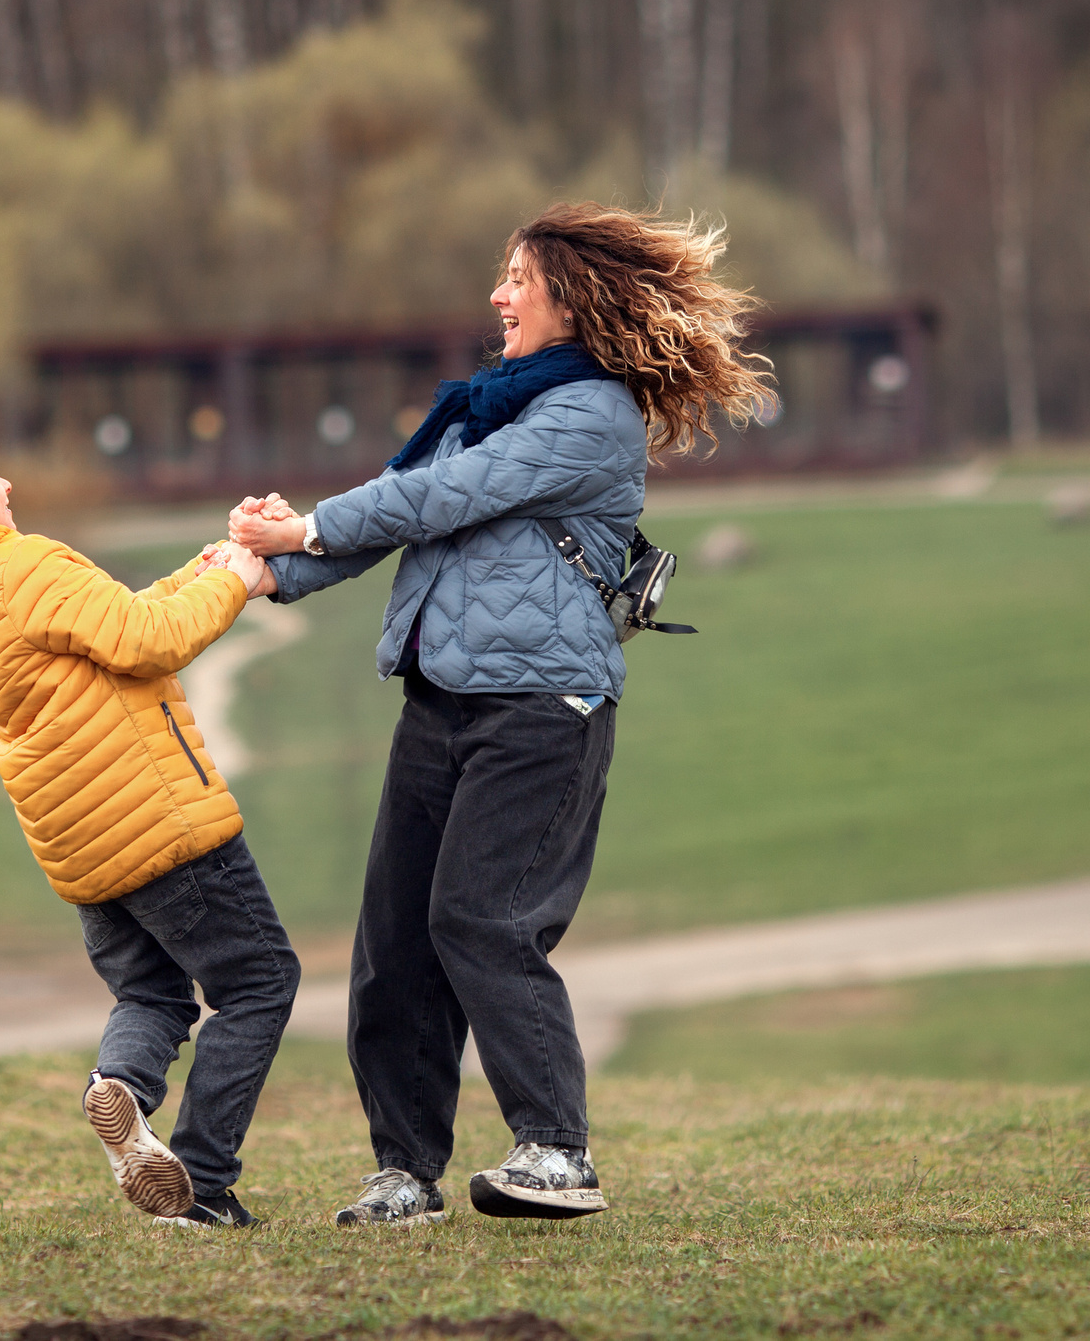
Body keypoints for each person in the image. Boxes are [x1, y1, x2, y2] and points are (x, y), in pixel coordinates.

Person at [227, 202, 773, 1226]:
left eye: (517, 278)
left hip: (541, 710)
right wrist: (269, 570)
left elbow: (447, 497)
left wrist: (306, 520)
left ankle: (557, 1152)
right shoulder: (488, 406)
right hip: (441, 701)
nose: (498, 296)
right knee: (394, 942)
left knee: (482, 918)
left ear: (571, 297)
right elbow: (404, 498)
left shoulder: (588, 417)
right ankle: (404, 1171)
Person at [0, 416, 299, 1229]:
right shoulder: (21, 562)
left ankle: (120, 1090)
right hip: (152, 812)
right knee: (260, 981)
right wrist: (237, 583)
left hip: (78, 837)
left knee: (152, 990)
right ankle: (201, 1182)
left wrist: (212, 563)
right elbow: (150, 640)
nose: (8, 485)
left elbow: (112, 624)